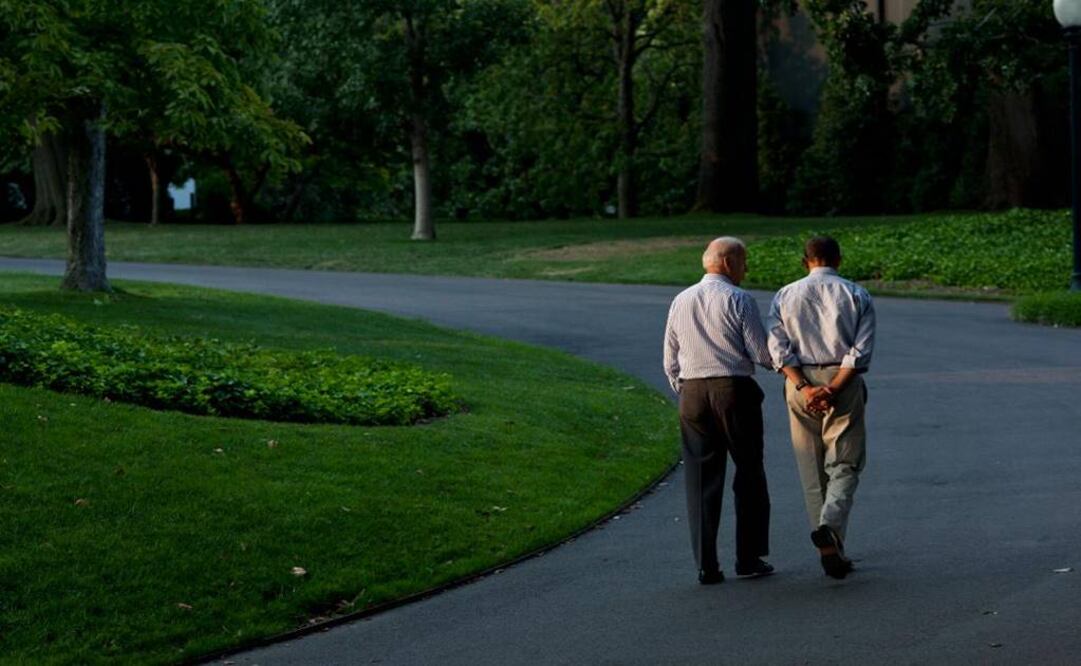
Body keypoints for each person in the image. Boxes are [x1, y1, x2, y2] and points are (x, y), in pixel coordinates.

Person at [663, 237, 774, 585]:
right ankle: (749, 556)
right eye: (743, 261)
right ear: (727, 263)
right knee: (749, 472)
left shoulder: (680, 300)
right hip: (733, 390)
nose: (746, 268)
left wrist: (686, 390)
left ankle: (706, 564)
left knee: (700, 478)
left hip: (692, 393)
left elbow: (670, 359)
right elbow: (761, 353)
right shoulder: (739, 299)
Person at [768, 236, 875, 580]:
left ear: (805, 261)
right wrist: (831, 388)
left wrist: (804, 386)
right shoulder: (856, 294)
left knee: (810, 467)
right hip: (840, 379)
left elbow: (778, 348)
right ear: (838, 260)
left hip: (799, 382)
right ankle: (831, 528)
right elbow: (859, 351)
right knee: (844, 461)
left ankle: (827, 545)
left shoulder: (785, 294)